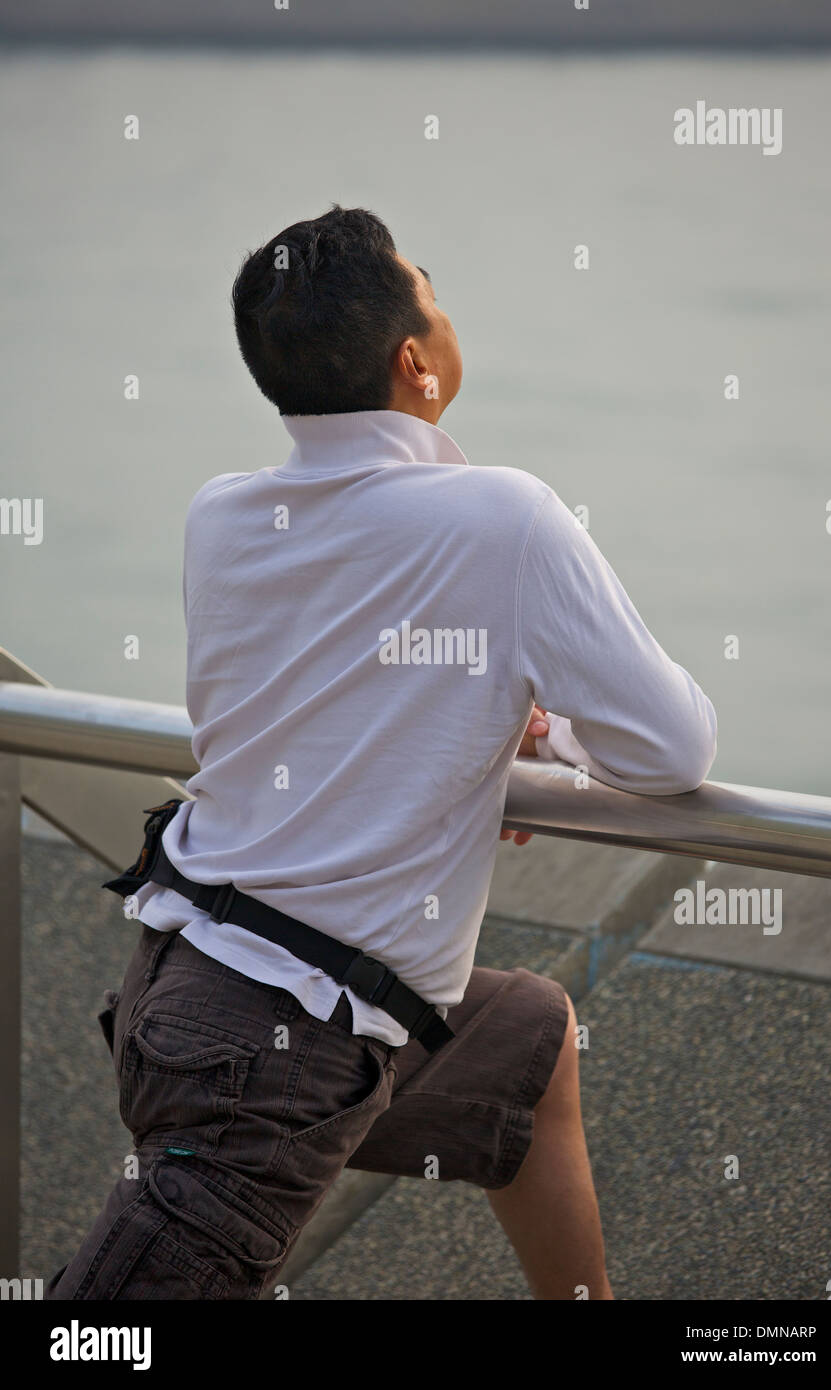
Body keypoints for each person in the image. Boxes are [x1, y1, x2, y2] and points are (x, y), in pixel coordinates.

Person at [46, 205, 716, 1301]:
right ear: (416, 360)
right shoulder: (506, 516)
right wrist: (542, 722)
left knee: (533, 1041)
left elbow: (319, 702)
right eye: (434, 294)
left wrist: (480, 731)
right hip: (266, 1054)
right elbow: (672, 745)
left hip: (188, 982)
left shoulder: (221, 516)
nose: (447, 313)